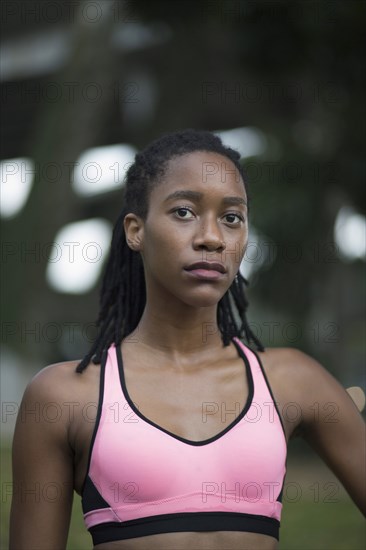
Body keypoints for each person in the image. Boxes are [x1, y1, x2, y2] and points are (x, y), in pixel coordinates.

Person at [10, 129, 365, 550]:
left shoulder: (293, 381)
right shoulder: (64, 396)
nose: (211, 237)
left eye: (231, 218)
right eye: (184, 212)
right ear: (135, 230)